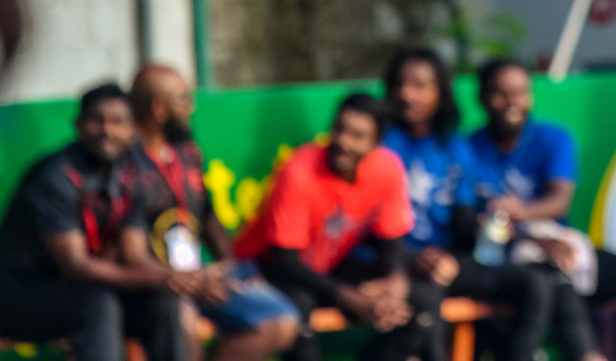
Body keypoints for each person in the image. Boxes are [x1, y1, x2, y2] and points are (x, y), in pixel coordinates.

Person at [466, 58, 616, 361]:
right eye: (501, 93)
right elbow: (480, 228)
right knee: (557, 284)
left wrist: (520, 213)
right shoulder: (469, 149)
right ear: (483, 98)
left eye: (520, 92)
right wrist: (532, 237)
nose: (512, 102)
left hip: (566, 246)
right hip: (511, 260)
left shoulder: (552, 137)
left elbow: (559, 202)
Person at [382, 47, 554, 361]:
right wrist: (411, 259)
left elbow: (461, 224)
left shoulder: (455, 147)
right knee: (428, 300)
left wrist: (485, 226)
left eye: (419, 85)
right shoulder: (380, 145)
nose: (407, 94)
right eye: (399, 84)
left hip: (446, 263)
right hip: (395, 263)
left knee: (535, 284)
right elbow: (367, 227)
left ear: (440, 93)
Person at [0, 83, 194, 361]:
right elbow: (76, 267)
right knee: (98, 304)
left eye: (118, 122)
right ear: (78, 125)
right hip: (19, 295)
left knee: (162, 301)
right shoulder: (55, 177)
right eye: (96, 120)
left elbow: (134, 257)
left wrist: (180, 280)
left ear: (133, 129)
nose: (107, 130)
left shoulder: (131, 175)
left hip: (79, 290)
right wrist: (168, 276)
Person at [235, 93, 426, 361]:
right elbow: (285, 260)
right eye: (339, 129)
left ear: (375, 143)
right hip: (265, 269)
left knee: (420, 299)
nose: (343, 142)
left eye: (357, 136)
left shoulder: (387, 168)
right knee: (298, 305)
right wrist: (347, 297)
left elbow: (390, 242)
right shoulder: (299, 170)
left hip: (326, 268)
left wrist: (395, 281)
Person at [128, 64, 300, 361]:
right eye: (182, 99)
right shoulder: (126, 163)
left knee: (282, 321)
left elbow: (206, 216)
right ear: (158, 108)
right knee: (183, 324)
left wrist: (230, 266)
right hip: (154, 287)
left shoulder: (188, 152)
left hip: (200, 278)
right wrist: (184, 281)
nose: (191, 107)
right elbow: (125, 252)